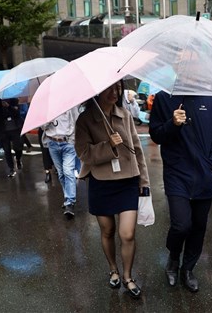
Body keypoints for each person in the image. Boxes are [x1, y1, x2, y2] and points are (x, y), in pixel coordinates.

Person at [75, 82, 150, 299]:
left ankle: (127, 276)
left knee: (127, 233)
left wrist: (144, 182)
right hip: (101, 182)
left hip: (128, 180)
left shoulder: (125, 114)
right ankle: (113, 269)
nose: (115, 92)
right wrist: (109, 146)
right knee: (107, 231)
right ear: (97, 91)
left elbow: (137, 150)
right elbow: (84, 154)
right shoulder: (85, 119)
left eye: (118, 88)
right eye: (110, 88)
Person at [149, 91, 212, 293]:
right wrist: (172, 124)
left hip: (204, 175)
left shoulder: (211, 98)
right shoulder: (164, 98)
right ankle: (173, 258)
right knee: (181, 225)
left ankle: (188, 269)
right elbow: (155, 134)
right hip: (176, 174)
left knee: (198, 226)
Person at [42, 107, 80, 218]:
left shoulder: (70, 106)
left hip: (67, 142)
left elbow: (77, 121)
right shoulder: (47, 107)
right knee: (61, 173)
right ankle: (67, 197)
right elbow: (42, 127)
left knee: (68, 171)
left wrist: (73, 140)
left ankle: (70, 202)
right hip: (52, 143)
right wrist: (48, 119)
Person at [0, 98, 24, 178]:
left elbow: (17, 113)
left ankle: (18, 159)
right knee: (7, 150)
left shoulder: (14, 100)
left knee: (18, 147)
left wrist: (8, 106)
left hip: (15, 128)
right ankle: (11, 168)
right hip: (4, 130)